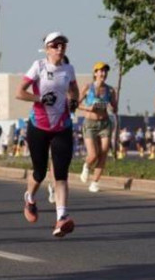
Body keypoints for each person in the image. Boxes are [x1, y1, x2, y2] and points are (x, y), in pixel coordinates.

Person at [17, 32, 80, 238]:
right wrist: (39, 98)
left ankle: (62, 217)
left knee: (61, 173)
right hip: (39, 126)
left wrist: (73, 101)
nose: (59, 48)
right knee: (40, 172)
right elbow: (19, 92)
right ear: (47, 49)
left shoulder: (68, 69)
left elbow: (74, 91)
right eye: (54, 45)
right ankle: (30, 197)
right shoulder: (39, 67)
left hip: (62, 126)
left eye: (62, 45)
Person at [77, 62, 118, 193]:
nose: (103, 73)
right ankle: (87, 165)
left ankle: (95, 182)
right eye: (100, 71)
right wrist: (88, 108)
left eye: (105, 71)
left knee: (104, 153)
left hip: (105, 124)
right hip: (90, 124)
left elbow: (114, 107)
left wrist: (113, 105)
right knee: (93, 154)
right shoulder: (87, 87)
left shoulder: (110, 90)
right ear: (95, 73)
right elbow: (75, 104)